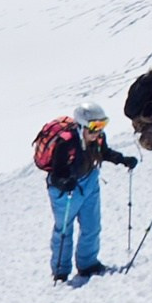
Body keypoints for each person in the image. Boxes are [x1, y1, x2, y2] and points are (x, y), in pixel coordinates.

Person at [40, 102, 135, 280]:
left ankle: (88, 264)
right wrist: (64, 182)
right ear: (82, 125)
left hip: (89, 183)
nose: (98, 131)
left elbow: (104, 152)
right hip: (66, 192)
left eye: (102, 125)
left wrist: (123, 159)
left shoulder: (98, 138)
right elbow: (56, 174)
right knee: (64, 230)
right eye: (94, 127)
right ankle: (60, 271)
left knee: (92, 226)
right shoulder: (66, 143)